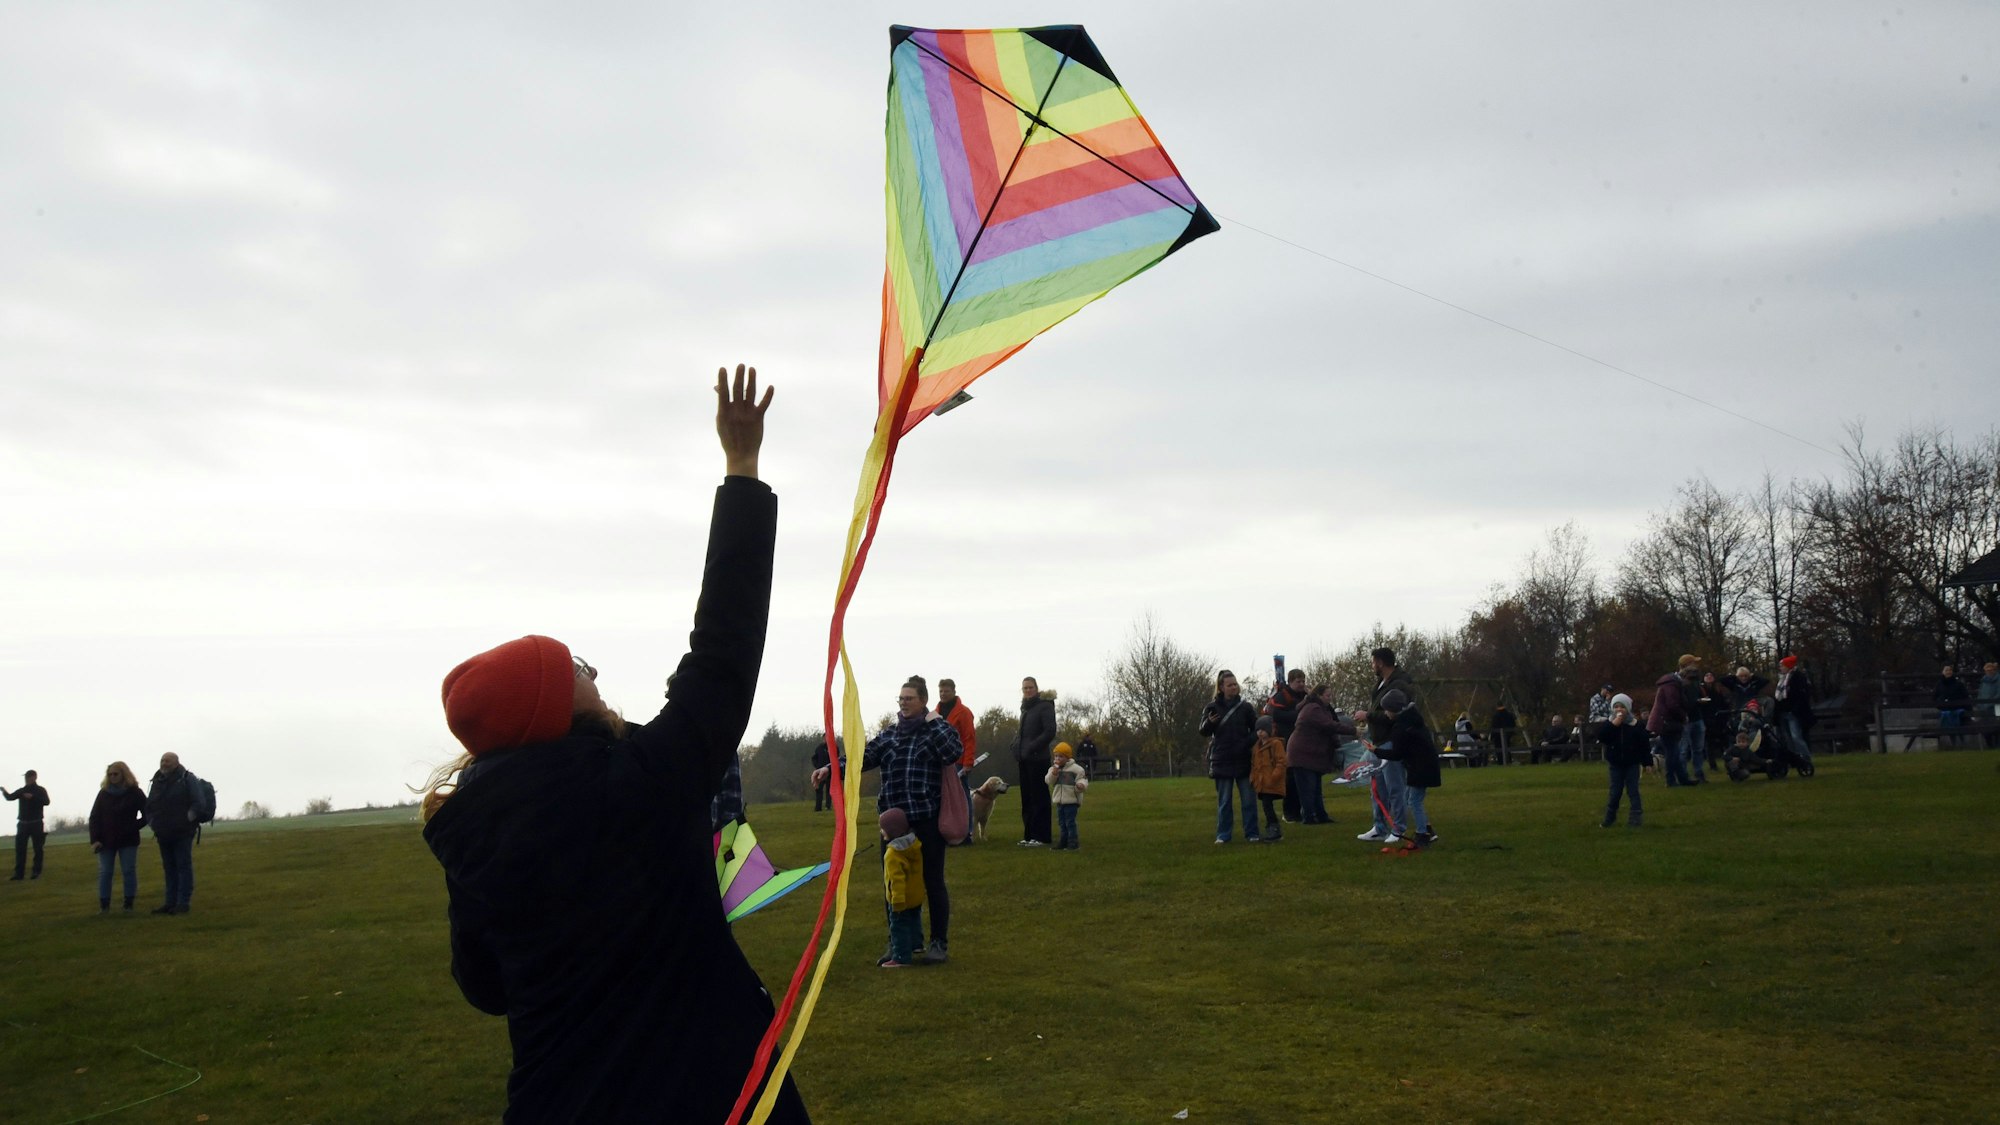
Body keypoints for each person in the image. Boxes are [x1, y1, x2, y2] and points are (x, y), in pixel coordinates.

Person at [420, 365, 810, 1124]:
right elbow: (722, 655)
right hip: (706, 1096)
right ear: (551, 710)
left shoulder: (473, 836)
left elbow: (486, 986)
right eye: (579, 670)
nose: (597, 678)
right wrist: (742, 469)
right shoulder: (638, 783)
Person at [817, 675, 962, 963]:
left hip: (926, 820)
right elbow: (863, 757)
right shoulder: (890, 734)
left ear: (922, 701)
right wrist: (832, 768)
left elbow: (953, 751)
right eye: (901, 699)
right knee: (894, 885)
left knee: (932, 882)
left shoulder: (936, 731)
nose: (904, 703)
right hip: (893, 827)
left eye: (909, 698)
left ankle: (938, 943)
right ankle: (901, 943)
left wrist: (934, 721)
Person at [1359, 648, 1414, 843]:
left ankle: (1398, 828)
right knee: (1377, 787)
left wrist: (1368, 715)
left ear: (1380, 662)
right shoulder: (1382, 684)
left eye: (1373, 662)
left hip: (1391, 741)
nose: (1372, 665)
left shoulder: (1400, 683)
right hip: (1378, 741)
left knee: (1395, 786)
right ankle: (1379, 827)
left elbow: (1396, 712)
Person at [1200, 669, 1260, 843]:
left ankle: (1252, 833)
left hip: (1243, 758)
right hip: (1222, 759)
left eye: (1235, 684)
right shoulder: (1211, 708)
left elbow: (1256, 729)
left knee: (1249, 800)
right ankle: (1223, 835)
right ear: (1221, 687)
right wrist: (1209, 723)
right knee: (1224, 802)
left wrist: (1246, 743)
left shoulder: (1246, 707)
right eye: (1230, 685)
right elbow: (1202, 731)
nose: (1234, 687)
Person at [1377, 690, 1441, 848]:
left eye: (1386, 709)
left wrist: (1375, 751)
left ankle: (1422, 834)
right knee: (1410, 797)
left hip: (1420, 767)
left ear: (1393, 709)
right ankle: (1428, 830)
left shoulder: (1402, 727)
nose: (1385, 713)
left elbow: (1397, 753)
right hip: (1424, 765)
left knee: (1414, 801)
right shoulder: (1412, 721)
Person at [89, 762, 148, 913]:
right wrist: (94, 839)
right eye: (110, 774)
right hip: (105, 839)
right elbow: (95, 817)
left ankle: (128, 904)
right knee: (105, 872)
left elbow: (148, 814)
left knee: (128, 870)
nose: (112, 777)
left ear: (124, 774)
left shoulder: (135, 792)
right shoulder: (104, 793)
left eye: (116, 774)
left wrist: (133, 826)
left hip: (128, 839)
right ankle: (104, 906)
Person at [1285, 686, 1347, 825]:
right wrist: (1352, 730)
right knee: (1308, 788)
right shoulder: (1314, 709)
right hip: (1302, 754)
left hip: (1310, 753)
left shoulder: (1317, 709)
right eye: (1327, 695)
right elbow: (1330, 726)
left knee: (1315, 787)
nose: (1329, 698)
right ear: (1319, 695)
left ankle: (1320, 815)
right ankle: (1309, 816)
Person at [145, 754, 197, 912]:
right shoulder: (157, 781)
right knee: (169, 868)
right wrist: (153, 823)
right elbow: (150, 805)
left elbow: (198, 803)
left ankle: (183, 903)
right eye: (162, 760)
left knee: (183, 867)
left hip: (182, 833)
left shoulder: (187, 778)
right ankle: (170, 903)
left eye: (167, 761)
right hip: (163, 833)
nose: (164, 763)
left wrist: (187, 821)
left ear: (176, 763)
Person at [878, 808, 925, 968]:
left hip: (901, 899)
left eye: (883, 828)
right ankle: (916, 944)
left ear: (891, 831)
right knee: (914, 919)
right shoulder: (914, 846)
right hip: (916, 895)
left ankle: (901, 956)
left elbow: (896, 879)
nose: (881, 831)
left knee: (898, 926)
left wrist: (897, 900)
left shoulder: (892, 854)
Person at [1013, 677, 1056, 847]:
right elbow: (1022, 733)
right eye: (1025, 688)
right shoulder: (1025, 709)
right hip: (1024, 759)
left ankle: (1042, 836)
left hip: (1039, 759)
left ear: (1037, 689)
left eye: (1030, 687)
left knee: (1040, 798)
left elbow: (1050, 731)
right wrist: (1015, 746)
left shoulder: (1045, 706)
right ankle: (1029, 835)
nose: (1027, 690)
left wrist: (1032, 747)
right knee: (1027, 798)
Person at [1647, 654, 1701, 788]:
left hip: (1668, 721)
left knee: (1674, 751)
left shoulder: (1673, 683)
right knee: (1672, 752)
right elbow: (1672, 705)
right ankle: (1671, 780)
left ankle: (1682, 779)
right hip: (1666, 722)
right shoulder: (1672, 685)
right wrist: (1684, 716)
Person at [1264, 668, 1309, 821]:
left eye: (1303, 681)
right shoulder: (1282, 696)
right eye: (1298, 681)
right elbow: (1276, 714)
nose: (1302, 684)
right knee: (1290, 778)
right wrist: (1300, 715)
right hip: (1286, 740)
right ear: (1290, 682)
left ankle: (1304, 809)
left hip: (1303, 741)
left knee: (1303, 777)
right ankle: (1290, 812)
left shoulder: (1305, 696)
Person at [1597, 693, 1648, 827]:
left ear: (1628, 709)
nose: (1619, 710)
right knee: (1615, 791)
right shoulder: (1610, 723)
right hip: (1615, 764)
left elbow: (1644, 744)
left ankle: (1635, 817)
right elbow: (1602, 737)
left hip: (1632, 763)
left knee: (1633, 790)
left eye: (1622, 707)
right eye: (1616, 707)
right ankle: (1610, 817)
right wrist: (1613, 725)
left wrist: (1647, 762)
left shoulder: (1635, 725)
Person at [937, 678, 977, 842]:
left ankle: (966, 832)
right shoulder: (935, 713)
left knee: (962, 796)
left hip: (959, 761)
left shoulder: (964, 712)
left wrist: (968, 762)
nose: (943, 694)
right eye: (941, 691)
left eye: (946, 691)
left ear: (953, 691)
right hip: (941, 762)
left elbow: (969, 738)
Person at [1771, 654, 1817, 769]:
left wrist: (1794, 709)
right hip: (1783, 712)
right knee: (1788, 738)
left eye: (1782, 666)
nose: (1780, 668)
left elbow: (1801, 695)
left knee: (1796, 736)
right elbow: (1778, 697)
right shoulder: (1782, 679)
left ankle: (1805, 758)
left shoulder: (1797, 677)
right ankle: (1794, 759)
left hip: (1793, 712)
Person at [3, 770, 50, 881]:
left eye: (28, 777)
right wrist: (4, 791)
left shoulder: (40, 790)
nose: (26, 779)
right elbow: (10, 797)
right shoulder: (22, 791)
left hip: (36, 823)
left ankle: (36, 872)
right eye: (26, 777)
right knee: (20, 850)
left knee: (38, 849)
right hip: (23, 824)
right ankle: (19, 874)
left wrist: (33, 797)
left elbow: (47, 802)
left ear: (34, 777)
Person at [1249, 717, 1288, 842]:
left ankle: (1274, 828)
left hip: (1271, 781)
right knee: (1266, 806)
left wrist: (1274, 776)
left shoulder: (1276, 744)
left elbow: (1281, 762)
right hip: (1262, 783)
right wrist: (1253, 778)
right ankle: (1271, 827)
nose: (1260, 732)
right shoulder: (1256, 746)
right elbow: (1255, 765)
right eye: (1258, 730)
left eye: (1263, 730)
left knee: (1267, 805)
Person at [1045, 742, 1089, 850]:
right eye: (1056, 756)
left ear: (1067, 757)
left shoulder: (1076, 769)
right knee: (1062, 823)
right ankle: (1063, 842)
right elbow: (1048, 781)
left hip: (1071, 800)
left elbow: (1083, 779)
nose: (1057, 759)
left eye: (1061, 756)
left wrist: (1081, 785)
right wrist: (1054, 773)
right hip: (1059, 801)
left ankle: (1073, 842)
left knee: (1070, 822)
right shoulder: (1053, 769)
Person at [1935, 664, 1971, 747]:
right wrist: (1941, 703)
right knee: (1947, 716)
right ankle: (1954, 743)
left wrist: (1968, 709)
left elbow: (1965, 696)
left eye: (1950, 670)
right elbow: (1935, 697)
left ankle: (1962, 742)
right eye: (1946, 670)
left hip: (1958, 709)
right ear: (1943, 672)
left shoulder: (1959, 684)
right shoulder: (1939, 685)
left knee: (1956, 718)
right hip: (1945, 709)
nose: (1948, 672)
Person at [1978, 662, 2000, 749]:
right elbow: (1980, 694)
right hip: (1984, 709)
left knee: (1997, 727)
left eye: (1990, 670)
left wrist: (1990, 703)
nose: (1989, 672)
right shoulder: (1983, 681)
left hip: (1996, 707)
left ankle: (1997, 746)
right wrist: (1980, 704)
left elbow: (1999, 693)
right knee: (1985, 728)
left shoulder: (1999, 679)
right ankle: (1990, 745)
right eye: (1987, 670)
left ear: (1994, 670)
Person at [810, 738, 833, 812]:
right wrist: (817, 766)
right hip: (820, 772)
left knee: (829, 790)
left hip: (830, 772)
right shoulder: (819, 748)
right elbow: (814, 758)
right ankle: (818, 807)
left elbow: (837, 757)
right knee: (818, 789)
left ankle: (828, 806)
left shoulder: (833, 747)